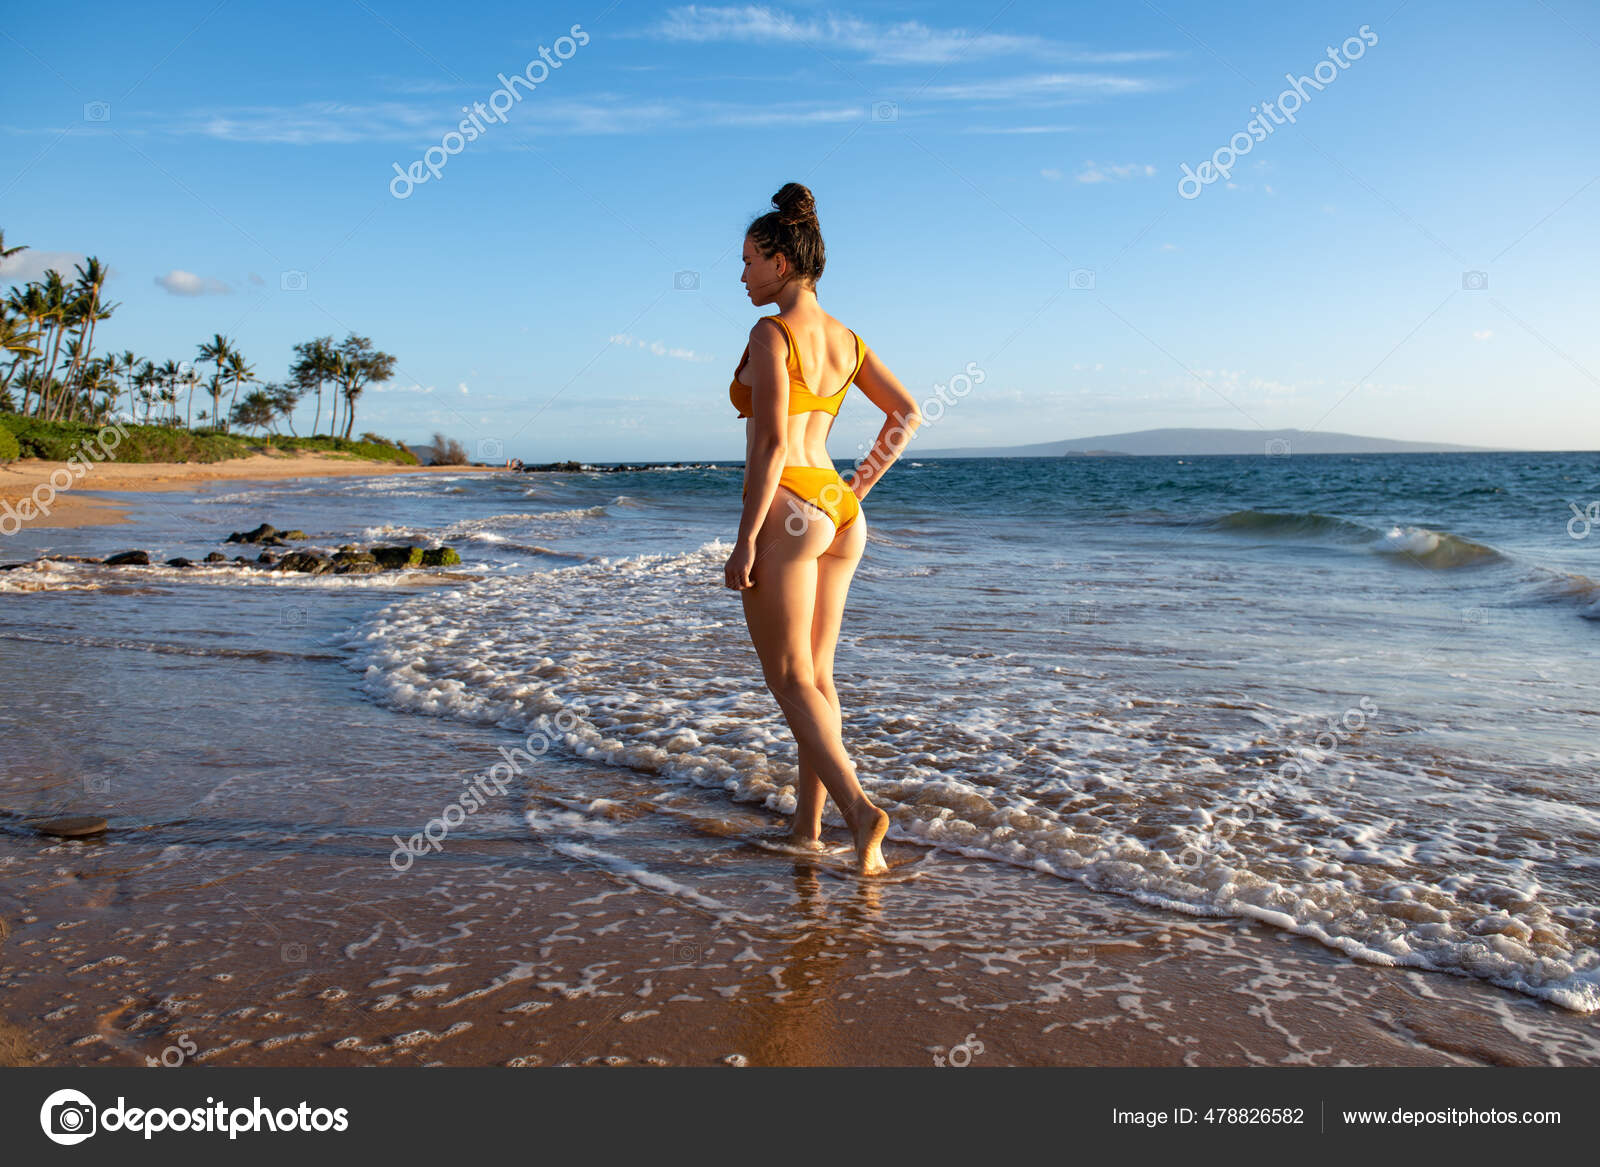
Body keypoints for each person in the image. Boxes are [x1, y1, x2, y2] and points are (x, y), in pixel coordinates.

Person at [723, 183, 922, 876]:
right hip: (837, 506)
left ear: (780, 262)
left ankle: (860, 811)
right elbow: (906, 414)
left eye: (749, 260)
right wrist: (855, 489)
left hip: (788, 505)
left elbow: (772, 442)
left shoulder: (771, 333)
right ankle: (807, 827)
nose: (742, 275)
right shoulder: (848, 338)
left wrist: (745, 537)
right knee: (816, 678)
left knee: (787, 678)